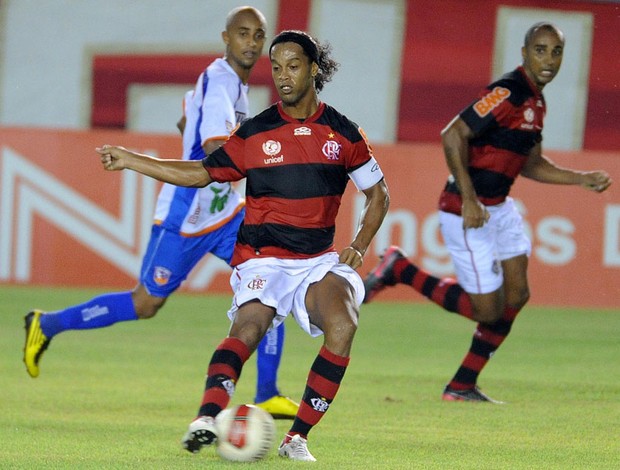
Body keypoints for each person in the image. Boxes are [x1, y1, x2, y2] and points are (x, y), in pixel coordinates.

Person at [95, 30, 390, 461]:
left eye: (293, 66)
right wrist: (130, 159)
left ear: (314, 69)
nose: (283, 76)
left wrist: (360, 246)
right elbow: (200, 172)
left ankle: (297, 438)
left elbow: (378, 194)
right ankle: (206, 418)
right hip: (262, 260)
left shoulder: (343, 133)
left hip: (316, 262)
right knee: (248, 330)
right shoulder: (256, 132)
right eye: (276, 67)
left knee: (343, 326)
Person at [22, 6, 299, 419]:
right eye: (243, 33)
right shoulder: (222, 81)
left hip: (224, 215)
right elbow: (213, 152)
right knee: (146, 302)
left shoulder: (228, 85)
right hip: (185, 217)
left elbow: (186, 118)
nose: (251, 42)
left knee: (273, 277)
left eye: (258, 35)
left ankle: (267, 391)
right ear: (226, 38)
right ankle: (46, 325)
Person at [363, 22, 611, 403]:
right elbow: (453, 134)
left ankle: (462, 385)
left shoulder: (536, 101)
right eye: (541, 50)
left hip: (499, 208)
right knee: (487, 310)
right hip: (466, 210)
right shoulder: (507, 92)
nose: (548, 59)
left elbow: (530, 164)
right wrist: (469, 199)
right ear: (525, 52)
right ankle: (400, 269)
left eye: (556, 51)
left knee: (518, 293)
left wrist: (580, 179)